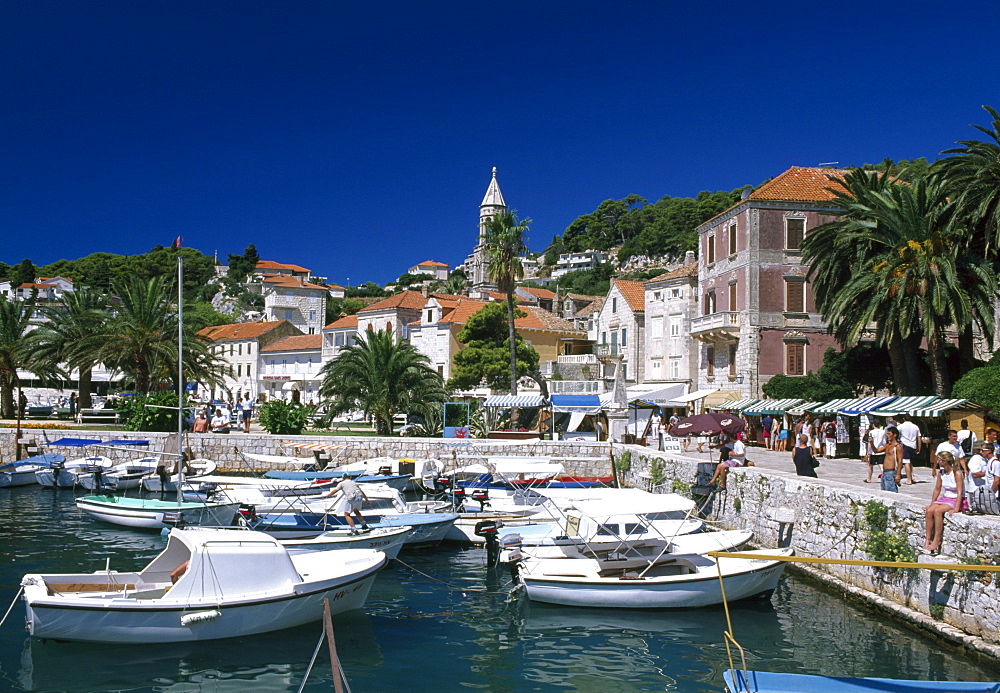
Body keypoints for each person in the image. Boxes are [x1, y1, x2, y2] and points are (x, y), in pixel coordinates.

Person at [923, 450, 966, 554]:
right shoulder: (941, 472)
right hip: (945, 497)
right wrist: (932, 503)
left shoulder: (957, 473)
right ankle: (928, 538)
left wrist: (956, 507)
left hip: (955, 498)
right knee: (930, 511)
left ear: (945, 461)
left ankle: (937, 539)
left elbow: (960, 492)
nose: (937, 461)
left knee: (938, 511)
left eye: (939, 460)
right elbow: (937, 489)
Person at [967, 442, 995, 514]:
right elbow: (975, 474)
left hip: (983, 490)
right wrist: (989, 473)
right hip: (975, 490)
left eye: (982, 450)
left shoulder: (986, 459)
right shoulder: (975, 459)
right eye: (980, 450)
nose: (981, 451)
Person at [896, 414, 922, 485]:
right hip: (913, 445)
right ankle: (911, 476)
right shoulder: (915, 427)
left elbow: (896, 435)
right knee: (910, 462)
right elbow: (919, 438)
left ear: (903, 419)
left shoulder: (900, 426)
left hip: (905, 444)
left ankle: (909, 480)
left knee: (906, 462)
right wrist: (919, 447)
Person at [878, 426, 903, 492]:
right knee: (884, 492)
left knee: (891, 492)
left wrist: (898, 474)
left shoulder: (897, 446)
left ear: (894, 435)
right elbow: (876, 451)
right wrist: (871, 443)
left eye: (889, 434)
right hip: (885, 472)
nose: (887, 436)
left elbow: (900, 460)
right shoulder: (887, 445)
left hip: (891, 472)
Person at [865, 419, 886, 484]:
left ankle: (869, 478)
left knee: (871, 465)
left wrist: (868, 451)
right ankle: (885, 477)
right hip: (881, 450)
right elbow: (884, 441)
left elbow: (870, 442)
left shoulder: (871, 432)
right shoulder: (883, 432)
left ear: (873, 425)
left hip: (873, 451)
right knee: (881, 465)